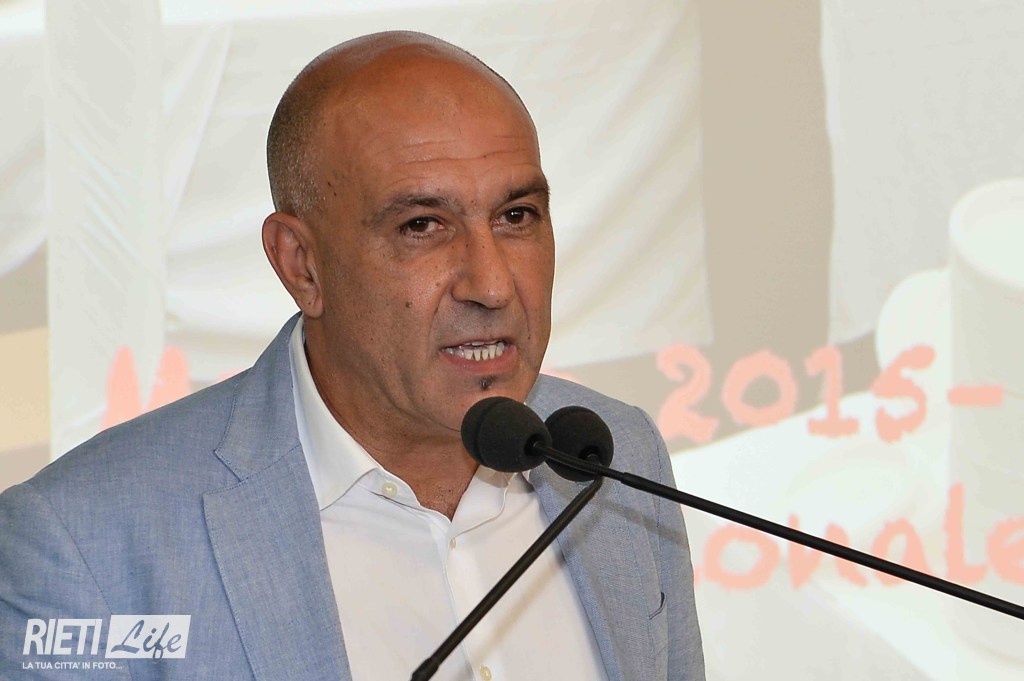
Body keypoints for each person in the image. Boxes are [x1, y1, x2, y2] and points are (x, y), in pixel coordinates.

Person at [0, 31, 704, 680]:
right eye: (422, 226)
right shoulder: (80, 545)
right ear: (301, 264)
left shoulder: (615, 456)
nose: (492, 285)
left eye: (515, 216)